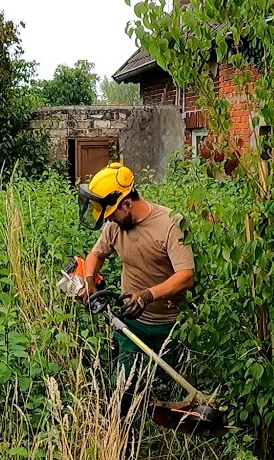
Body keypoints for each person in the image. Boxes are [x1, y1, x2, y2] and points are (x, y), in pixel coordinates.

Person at [76, 162, 195, 412]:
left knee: (164, 392)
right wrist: (89, 280)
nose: (112, 223)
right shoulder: (114, 226)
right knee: (122, 390)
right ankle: (121, 440)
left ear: (127, 203)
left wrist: (147, 296)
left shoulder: (170, 224)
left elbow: (186, 275)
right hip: (130, 323)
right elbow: (96, 255)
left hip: (168, 325)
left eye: (113, 215)